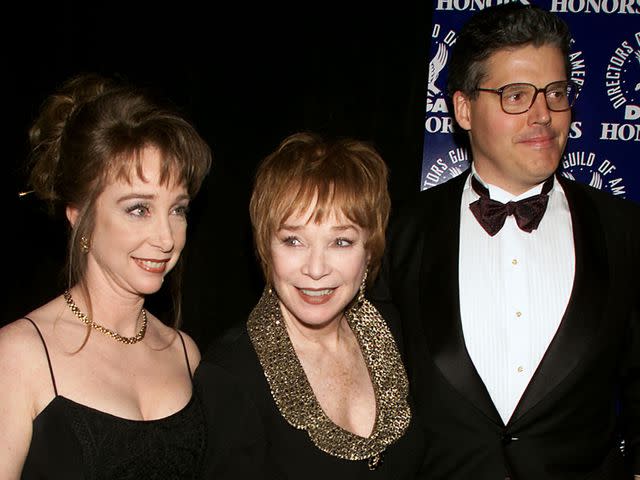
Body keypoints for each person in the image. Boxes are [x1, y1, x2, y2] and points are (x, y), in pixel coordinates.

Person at [370, 3, 640, 479]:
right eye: (516, 95)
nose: (544, 115)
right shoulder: (398, 232)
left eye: (556, 93)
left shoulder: (624, 231)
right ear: (464, 109)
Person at [0, 72, 262, 479]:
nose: (166, 237)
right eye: (138, 208)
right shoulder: (19, 355)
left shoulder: (184, 353)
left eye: (177, 210)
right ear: (79, 217)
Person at [195, 132, 426, 479]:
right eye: (293, 240)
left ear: (369, 251)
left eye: (341, 242)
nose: (316, 269)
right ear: (265, 247)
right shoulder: (231, 373)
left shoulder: (395, 330)